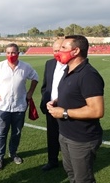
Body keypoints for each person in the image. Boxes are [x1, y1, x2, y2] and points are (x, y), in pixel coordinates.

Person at [47, 35, 105, 183]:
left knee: (83, 179)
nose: (59, 51)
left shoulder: (88, 75)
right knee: (71, 173)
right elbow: (73, 94)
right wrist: (56, 102)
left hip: (82, 139)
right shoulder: (68, 70)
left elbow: (97, 110)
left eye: (64, 48)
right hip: (65, 134)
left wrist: (64, 112)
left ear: (75, 51)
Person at [0, 43, 39, 171]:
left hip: (19, 106)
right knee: (1, 133)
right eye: (8, 53)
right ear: (5, 53)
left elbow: (35, 78)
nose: (11, 55)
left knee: (17, 132)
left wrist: (30, 92)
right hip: (3, 106)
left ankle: (13, 153)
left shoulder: (25, 67)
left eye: (13, 52)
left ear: (18, 53)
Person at [40, 38, 66, 171]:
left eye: (59, 50)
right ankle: (52, 161)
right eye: (54, 51)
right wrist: (45, 102)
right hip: (51, 108)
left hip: (66, 108)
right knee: (52, 135)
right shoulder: (49, 64)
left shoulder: (72, 65)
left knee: (67, 136)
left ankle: (71, 163)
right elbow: (45, 86)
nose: (57, 53)